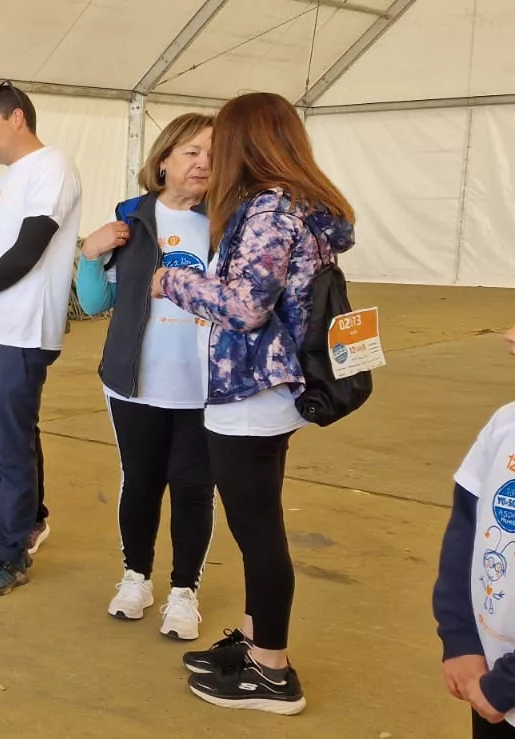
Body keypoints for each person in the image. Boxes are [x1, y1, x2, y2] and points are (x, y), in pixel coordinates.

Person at [157, 92, 354, 715]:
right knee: (258, 526)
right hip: (269, 390)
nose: (213, 156)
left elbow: (245, 307)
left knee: (258, 534)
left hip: (251, 390)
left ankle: (271, 670)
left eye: (222, 143)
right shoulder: (303, 206)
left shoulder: (269, 209)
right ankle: (252, 639)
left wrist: (173, 279)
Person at [76, 113, 216, 639]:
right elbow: (96, 303)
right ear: (163, 160)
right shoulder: (131, 220)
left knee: (194, 487)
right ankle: (136, 577)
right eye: (191, 152)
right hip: (135, 381)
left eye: (213, 154)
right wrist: (90, 255)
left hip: (205, 384)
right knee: (140, 481)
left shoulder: (228, 222)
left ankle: (184, 591)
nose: (203, 163)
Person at [0, 82, 82, 596]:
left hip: (20, 331)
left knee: (9, 447)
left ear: (17, 117)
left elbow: (29, 249)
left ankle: (12, 551)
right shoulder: (4, 182)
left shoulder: (52, 166)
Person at [435, 325, 515, 738]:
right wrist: (461, 639)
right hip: (487, 679)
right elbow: (464, 530)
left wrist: (507, 684)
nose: (509, 336)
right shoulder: (506, 424)